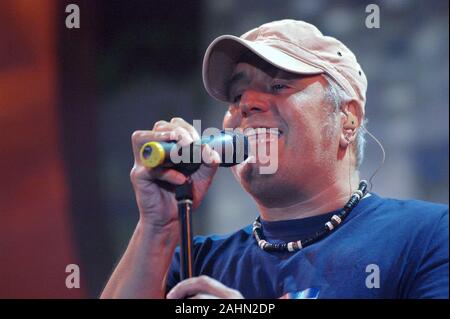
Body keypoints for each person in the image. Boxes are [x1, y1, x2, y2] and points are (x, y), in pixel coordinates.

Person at [100, 20, 449, 299]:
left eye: (279, 85)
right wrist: (158, 228)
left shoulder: (428, 236)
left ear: (347, 120)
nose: (247, 103)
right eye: (237, 94)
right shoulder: (195, 264)